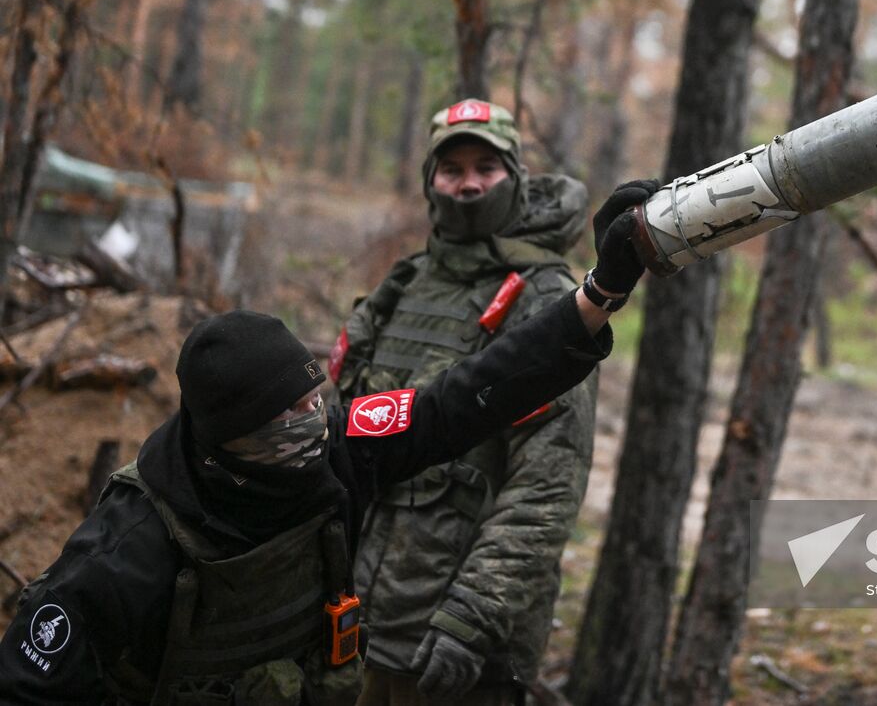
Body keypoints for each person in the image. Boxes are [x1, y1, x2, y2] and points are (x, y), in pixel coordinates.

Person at [0, 179, 659, 706]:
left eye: (314, 396)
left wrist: (601, 290)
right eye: (290, 413)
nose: (315, 420)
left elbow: (463, 396)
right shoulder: (127, 551)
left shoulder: (340, 446)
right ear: (228, 441)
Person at [333, 99, 605, 706]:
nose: (469, 184)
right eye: (451, 169)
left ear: (517, 177)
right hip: (356, 630)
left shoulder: (548, 305)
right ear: (431, 182)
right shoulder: (401, 287)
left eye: (487, 165)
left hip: (454, 649)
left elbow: (547, 488)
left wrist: (473, 615)